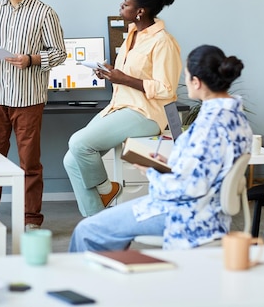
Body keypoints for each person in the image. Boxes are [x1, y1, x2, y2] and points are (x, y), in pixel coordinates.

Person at [69, 45, 253, 251]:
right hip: (210, 213)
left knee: (87, 230)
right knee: (106, 228)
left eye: (186, 74)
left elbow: (188, 189)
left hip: (185, 215)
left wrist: (152, 172)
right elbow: (204, 172)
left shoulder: (209, 127)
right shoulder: (236, 118)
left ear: (196, 82)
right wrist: (170, 165)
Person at [63, 0, 182, 217]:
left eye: (126, 4)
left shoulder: (163, 42)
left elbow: (166, 89)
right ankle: (96, 220)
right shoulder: (132, 35)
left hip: (145, 113)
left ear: (140, 11)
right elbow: (129, 76)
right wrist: (109, 73)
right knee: (71, 160)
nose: (121, 7)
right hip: (120, 107)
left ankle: (107, 189)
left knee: (79, 143)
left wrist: (123, 79)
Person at [0, 0, 66, 230]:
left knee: (29, 164)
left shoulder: (44, 13)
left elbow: (60, 53)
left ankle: (31, 220)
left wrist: (30, 59)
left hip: (28, 100)